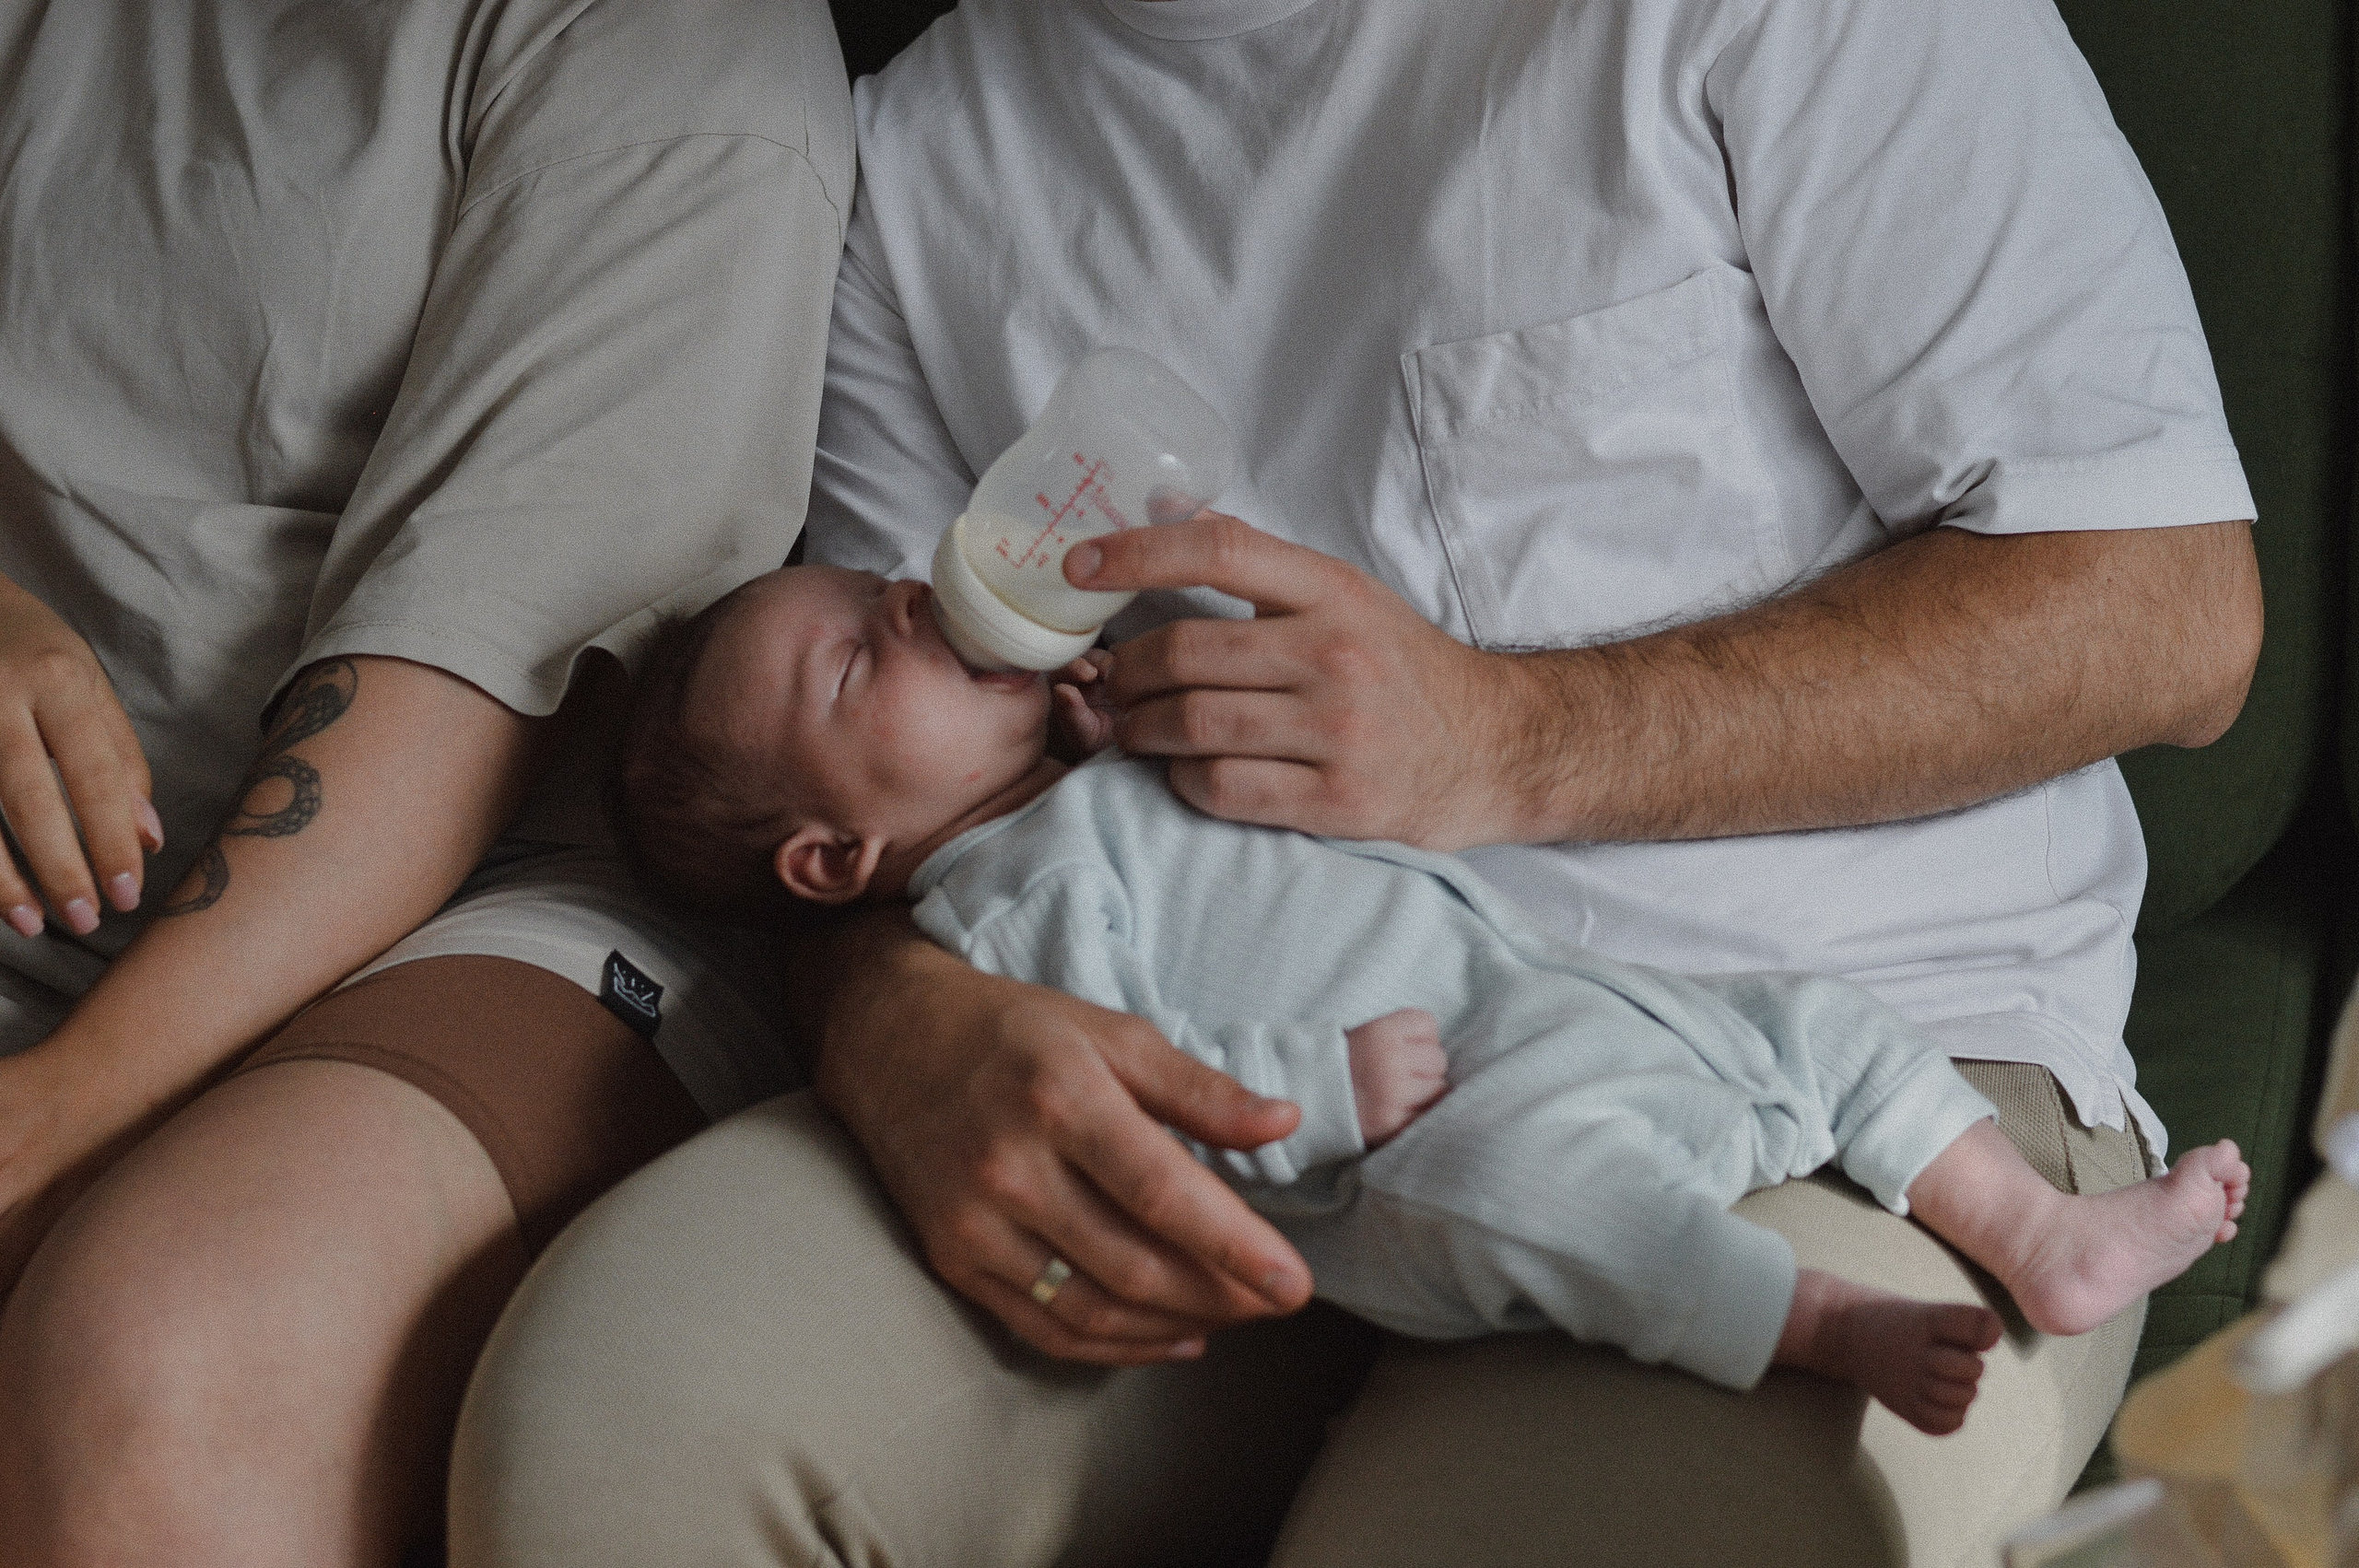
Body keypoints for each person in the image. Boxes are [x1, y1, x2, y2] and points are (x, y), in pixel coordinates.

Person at [451, 2, 2265, 1564]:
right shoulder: (918, 163)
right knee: (624, 1424)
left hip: (1843, 1073)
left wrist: (1506, 735)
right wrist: (892, 1014)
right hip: (1220, 1094)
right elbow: (863, 796)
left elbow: (2169, 611)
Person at [615, 560, 2253, 1438]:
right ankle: (1815, 1322)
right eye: (858, 660)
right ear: (834, 858)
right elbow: (1149, 1085)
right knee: (1535, 1189)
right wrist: (1318, 1087)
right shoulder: (1001, 920)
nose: (912, 606)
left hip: (1556, 997)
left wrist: (1114, 732)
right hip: (1410, 1135)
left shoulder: (1085, 782)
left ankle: (2037, 1228)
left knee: (1817, 1023)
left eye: (886, 589)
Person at [0, 4, 851, 1564]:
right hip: (49, 796)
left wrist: (53, 1117)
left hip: (503, 872)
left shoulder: (685, 57)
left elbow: (465, 688)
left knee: (168, 1365)